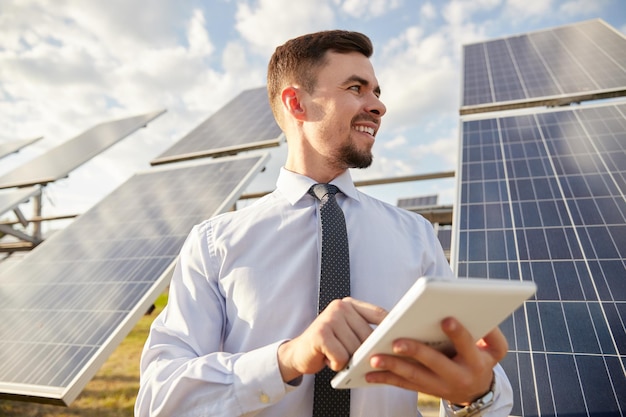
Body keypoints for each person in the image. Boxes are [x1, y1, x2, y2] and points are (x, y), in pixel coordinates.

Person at [135, 30, 514, 417]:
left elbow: (474, 381)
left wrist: (477, 394)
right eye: (356, 88)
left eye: (377, 93)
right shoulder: (214, 243)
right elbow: (158, 399)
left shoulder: (416, 234)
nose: (378, 106)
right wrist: (287, 359)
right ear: (296, 103)